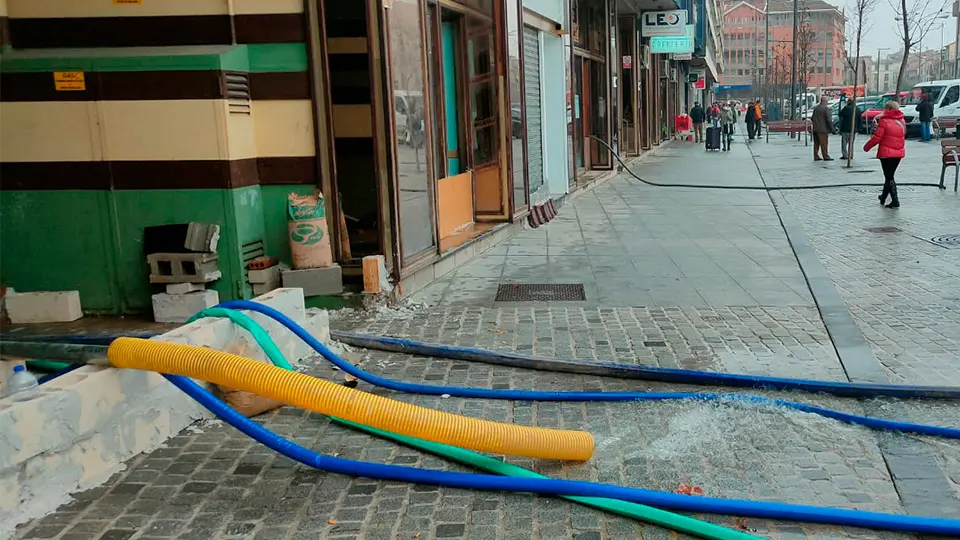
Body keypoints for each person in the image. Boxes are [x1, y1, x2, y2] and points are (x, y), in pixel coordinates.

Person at [863, 100, 906, 208]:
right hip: (898, 153)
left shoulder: (884, 121)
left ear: (888, 109)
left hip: (886, 154)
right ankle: (883, 197)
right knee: (889, 176)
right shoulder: (901, 120)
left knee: (889, 176)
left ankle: (895, 200)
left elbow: (877, 137)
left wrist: (867, 147)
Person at [811, 96, 834, 161]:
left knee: (816, 144)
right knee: (824, 144)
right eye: (826, 101)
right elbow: (828, 120)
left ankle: (816, 156)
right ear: (825, 101)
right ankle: (825, 156)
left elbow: (812, 118)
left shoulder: (816, 108)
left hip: (815, 129)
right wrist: (832, 129)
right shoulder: (826, 109)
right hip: (823, 130)